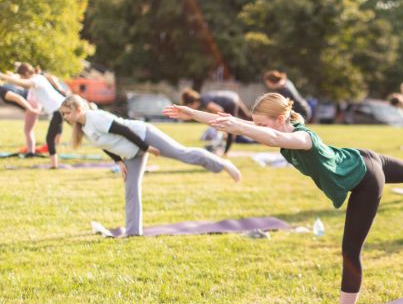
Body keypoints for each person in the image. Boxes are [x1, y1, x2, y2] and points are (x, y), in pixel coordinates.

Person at [163, 93, 403, 304]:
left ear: (279, 119)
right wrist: (190, 112)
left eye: (261, 122)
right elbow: (245, 127)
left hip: (366, 179)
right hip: (361, 157)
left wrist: (238, 124)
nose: (258, 128)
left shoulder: (301, 137)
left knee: (351, 251)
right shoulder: (291, 126)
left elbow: (273, 136)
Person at [60, 95, 241, 236]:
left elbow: (124, 130)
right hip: (133, 150)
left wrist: (147, 147)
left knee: (182, 153)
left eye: (67, 113)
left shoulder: (95, 118)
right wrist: (118, 161)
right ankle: (133, 232)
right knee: (130, 188)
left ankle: (222, 163)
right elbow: (105, 145)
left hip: (143, 136)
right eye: (63, 114)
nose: (65, 117)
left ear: (77, 109)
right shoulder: (84, 127)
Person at [0, 63, 66, 168]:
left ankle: (54, 165)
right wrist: (8, 75)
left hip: (59, 109)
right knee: (55, 136)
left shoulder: (36, 80)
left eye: (22, 76)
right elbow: (19, 80)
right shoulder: (39, 77)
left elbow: (23, 83)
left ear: (26, 73)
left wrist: (3, 77)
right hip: (61, 108)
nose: (22, 78)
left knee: (49, 138)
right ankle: (54, 164)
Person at [181, 89, 253, 153]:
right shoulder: (203, 98)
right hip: (233, 96)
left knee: (231, 127)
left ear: (192, 103)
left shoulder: (204, 101)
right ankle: (260, 124)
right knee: (246, 116)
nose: (192, 108)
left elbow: (219, 110)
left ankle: (225, 152)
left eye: (190, 107)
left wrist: (219, 124)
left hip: (230, 102)